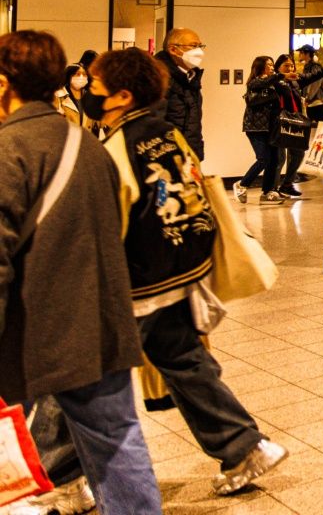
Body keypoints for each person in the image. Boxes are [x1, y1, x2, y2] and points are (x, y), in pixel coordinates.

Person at [87, 46, 288, 496]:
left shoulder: (117, 148)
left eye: (96, 87)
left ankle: (64, 478)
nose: (90, 93)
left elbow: (110, 222)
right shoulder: (168, 133)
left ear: (121, 96)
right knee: (183, 361)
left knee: (81, 378)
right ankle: (244, 446)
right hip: (180, 270)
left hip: (140, 282)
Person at [0, 30, 162, 514]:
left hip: (36, 331)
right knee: (117, 441)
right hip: (99, 322)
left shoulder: (9, 149)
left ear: (5, 82)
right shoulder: (89, 145)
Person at [234, 55, 282, 205]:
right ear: (261, 67)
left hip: (271, 127)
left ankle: (267, 192)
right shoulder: (254, 82)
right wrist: (280, 76)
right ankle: (242, 184)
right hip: (255, 128)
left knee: (274, 160)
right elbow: (262, 85)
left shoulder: (273, 83)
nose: (272, 67)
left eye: (273, 65)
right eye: (269, 65)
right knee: (263, 159)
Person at [156, 27, 206, 158]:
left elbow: (193, 121)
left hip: (190, 153)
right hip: (166, 156)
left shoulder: (192, 77)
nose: (199, 51)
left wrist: (195, 151)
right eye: (193, 46)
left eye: (200, 46)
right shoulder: (158, 77)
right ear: (173, 49)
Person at [267, 53, 309, 200]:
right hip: (279, 123)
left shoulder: (295, 82)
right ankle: (272, 189)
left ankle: (287, 184)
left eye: (292, 66)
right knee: (280, 158)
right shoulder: (274, 81)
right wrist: (283, 78)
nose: (290, 68)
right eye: (286, 66)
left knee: (298, 153)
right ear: (278, 67)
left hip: (294, 122)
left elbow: (312, 77)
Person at [54, 61, 99, 135]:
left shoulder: (91, 97)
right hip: (67, 137)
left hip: (87, 137)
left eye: (84, 74)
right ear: (69, 76)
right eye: (78, 74)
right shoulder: (58, 96)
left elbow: (99, 121)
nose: (81, 77)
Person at [296, 44, 323, 124]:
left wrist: (308, 98)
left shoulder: (315, 66)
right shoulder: (308, 66)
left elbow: (315, 84)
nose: (299, 54)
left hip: (317, 103)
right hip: (312, 103)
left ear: (307, 54)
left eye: (301, 52)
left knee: (319, 127)